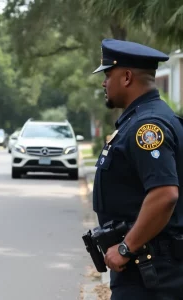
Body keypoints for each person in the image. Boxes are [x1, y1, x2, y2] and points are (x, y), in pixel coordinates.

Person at [92, 39, 183, 299]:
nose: (104, 82)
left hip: (152, 273)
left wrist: (125, 247)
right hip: (146, 268)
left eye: (108, 75)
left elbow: (165, 194)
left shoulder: (148, 127)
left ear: (127, 77)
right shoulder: (144, 119)